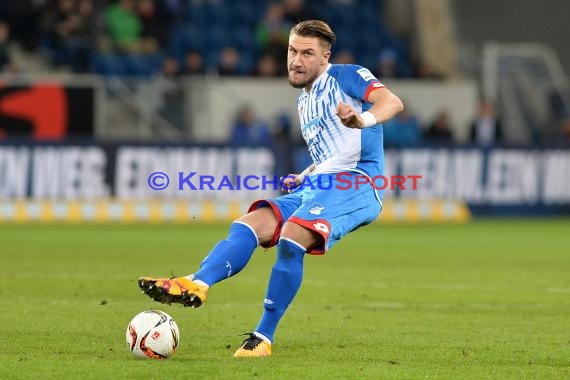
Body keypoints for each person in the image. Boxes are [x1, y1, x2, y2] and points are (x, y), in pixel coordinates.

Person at [138, 20, 404, 357]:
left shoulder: (346, 76)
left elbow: (392, 102)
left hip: (359, 182)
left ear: (325, 58)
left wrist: (362, 119)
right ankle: (197, 282)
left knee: (293, 236)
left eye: (308, 53)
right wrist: (307, 173)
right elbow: (337, 151)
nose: (297, 60)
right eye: (293, 51)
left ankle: (263, 338)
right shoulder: (304, 101)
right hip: (321, 184)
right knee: (253, 222)